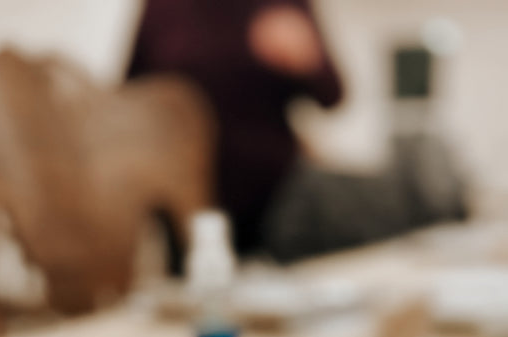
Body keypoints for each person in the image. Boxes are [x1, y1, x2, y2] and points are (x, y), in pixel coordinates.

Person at [128, 0, 467, 262]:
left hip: (277, 199)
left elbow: (333, 95)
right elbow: (129, 95)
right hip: (190, 209)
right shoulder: (162, 6)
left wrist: (309, 60)